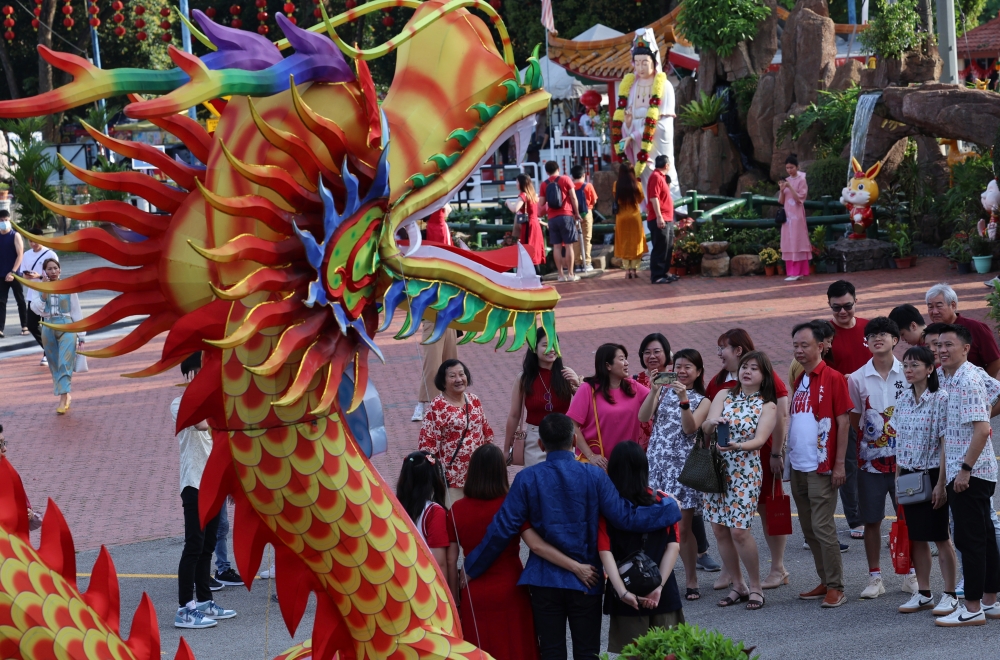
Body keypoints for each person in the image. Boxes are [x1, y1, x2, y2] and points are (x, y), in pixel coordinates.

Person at [463, 413, 681, 660]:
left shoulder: (526, 478)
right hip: (587, 579)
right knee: (587, 653)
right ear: (575, 440)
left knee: (552, 651)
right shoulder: (594, 475)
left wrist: (472, 567)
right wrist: (670, 508)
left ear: (541, 445)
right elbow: (625, 517)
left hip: (544, 579)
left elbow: (502, 529)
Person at [448, 444, 590, 660]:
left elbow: (449, 560)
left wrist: (454, 598)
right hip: (510, 587)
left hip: (473, 589)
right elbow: (536, 545)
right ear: (501, 472)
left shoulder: (456, 509)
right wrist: (576, 567)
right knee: (516, 647)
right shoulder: (510, 504)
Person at [705, 328, 795, 587]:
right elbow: (708, 421)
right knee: (724, 521)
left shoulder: (767, 383)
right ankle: (731, 573)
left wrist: (777, 451)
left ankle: (777, 568)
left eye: (722, 347)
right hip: (723, 461)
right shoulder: (720, 382)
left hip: (760, 455)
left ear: (738, 350)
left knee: (770, 510)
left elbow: (780, 417)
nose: (719, 353)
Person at [702, 351, 778, 611]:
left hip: (745, 470)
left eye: (754, 368)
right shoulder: (724, 394)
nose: (747, 371)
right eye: (745, 366)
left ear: (764, 375)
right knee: (719, 529)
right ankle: (738, 585)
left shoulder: (767, 404)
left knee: (739, 530)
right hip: (717, 467)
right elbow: (705, 428)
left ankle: (756, 587)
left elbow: (760, 440)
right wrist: (711, 422)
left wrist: (738, 445)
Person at [934, 324, 1000, 626]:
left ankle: (972, 607)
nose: (942, 350)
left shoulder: (967, 380)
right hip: (976, 471)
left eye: (949, 344)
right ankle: (990, 600)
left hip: (971, 473)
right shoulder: (956, 375)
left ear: (965, 348)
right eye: (939, 345)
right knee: (984, 536)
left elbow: (982, 428)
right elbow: (997, 390)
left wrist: (965, 470)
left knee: (969, 539)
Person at [889, 345, 960, 616]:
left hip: (932, 473)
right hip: (908, 474)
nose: (908, 370)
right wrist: (897, 478)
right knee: (917, 536)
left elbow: (945, 445)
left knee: (941, 536)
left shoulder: (941, 399)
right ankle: (924, 592)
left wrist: (942, 483)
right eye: (906, 365)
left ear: (930, 369)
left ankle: (951, 594)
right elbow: (900, 443)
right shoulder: (904, 400)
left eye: (915, 365)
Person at [846, 317, 912, 599]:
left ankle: (911, 574)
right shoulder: (857, 378)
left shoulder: (909, 372)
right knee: (871, 520)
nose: (877, 338)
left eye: (883, 334)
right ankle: (875, 577)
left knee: (909, 517)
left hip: (908, 461)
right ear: (866, 341)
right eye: (872, 335)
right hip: (869, 462)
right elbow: (855, 418)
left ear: (895, 340)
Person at [788, 321, 852, 609]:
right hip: (799, 465)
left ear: (821, 346)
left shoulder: (833, 378)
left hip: (821, 466)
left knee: (823, 527)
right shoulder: (799, 378)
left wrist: (839, 464)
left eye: (805, 345)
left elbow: (842, 422)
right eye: (796, 345)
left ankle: (837, 587)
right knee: (809, 528)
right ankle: (825, 580)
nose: (799, 350)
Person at [640, 347, 713, 601]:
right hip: (656, 466)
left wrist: (684, 399)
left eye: (688, 367)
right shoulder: (662, 393)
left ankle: (691, 579)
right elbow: (643, 416)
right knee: (656, 524)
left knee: (682, 526)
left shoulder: (703, 401)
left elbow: (690, 429)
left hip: (682, 469)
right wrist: (654, 390)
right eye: (678, 367)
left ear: (698, 372)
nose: (681, 371)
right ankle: (657, 577)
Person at [598, 441, 685, 651]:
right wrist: (658, 587)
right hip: (663, 592)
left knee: (634, 655)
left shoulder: (608, 508)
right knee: (669, 653)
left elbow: (605, 551)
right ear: (644, 468)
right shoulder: (663, 502)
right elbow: (673, 546)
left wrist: (622, 593)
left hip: (627, 591)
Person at [173, 352, 237, 629]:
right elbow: (200, 424)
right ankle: (184, 609)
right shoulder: (179, 404)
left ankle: (204, 602)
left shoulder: (215, 405)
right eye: (201, 371)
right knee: (194, 547)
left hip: (215, 485)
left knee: (208, 546)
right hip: (194, 485)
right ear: (190, 374)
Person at [417, 359, 495, 504]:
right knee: (453, 520)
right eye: (452, 376)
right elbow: (427, 446)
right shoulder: (437, 407)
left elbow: (486, 433)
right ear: (443, 381)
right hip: (451, 479)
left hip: (478, 476)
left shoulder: (474, 400)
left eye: (461, 374)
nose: (459, 379)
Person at [825, 279, 868, 542]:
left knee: (877, 462)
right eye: (836, 308)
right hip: (845, 408)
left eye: (847, 306)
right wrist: (845, 378)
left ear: (856, 301)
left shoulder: (868, 328)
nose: (842, 312)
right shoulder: (825, 333)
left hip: (875, 408)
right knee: (849, 465)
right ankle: (855, 518)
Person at [502, 326, 580, 467]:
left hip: (564, 439)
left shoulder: (566, 375)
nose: (551, 349)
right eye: (545, 345)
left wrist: (578, 385)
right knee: (537, 483)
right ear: (534, 348)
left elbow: (585, 409)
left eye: (554, 345)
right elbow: (514, 415)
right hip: (535, 439)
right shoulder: (524, 378)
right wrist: (506, 449)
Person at [568, 343, 650, 469]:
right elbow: (572, 425)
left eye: (626, 358)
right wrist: (591, 455)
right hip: (599, 466)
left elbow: (659, 401)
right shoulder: (587, 389)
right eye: (622, 359)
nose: (627, 363)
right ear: (608, 365)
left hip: (627, 464)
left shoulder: (633, 386)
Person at [30, 259, 83, 414]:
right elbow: (36, 309)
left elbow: (76, 311)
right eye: (49, 269)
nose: (53, 271)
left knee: (65, 362)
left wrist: (82, 335)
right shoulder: (38, 287)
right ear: (44, 271)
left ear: (60, 270)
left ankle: (63, 398)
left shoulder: (68, 286)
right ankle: (66, 395)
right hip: (47, 326)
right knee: (54, 365)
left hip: (67, 325)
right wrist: (44, 292)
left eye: (55, 268)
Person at [926, 283, 1000, 378]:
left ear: (953, 305)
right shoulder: (929, 332)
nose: (934, 311)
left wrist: (983, 382)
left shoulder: (975, 327)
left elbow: (994, 361)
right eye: (930, 307)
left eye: (939, 306)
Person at [397, 450, 449, 577]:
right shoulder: (434, 512)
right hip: (425, 583)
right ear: (432, 478)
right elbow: (440, 563)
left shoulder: (394, 507)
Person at [538, 161, 582, 283]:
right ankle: (571, 274)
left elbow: (541, 203)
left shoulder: (544, 184)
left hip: (552, 218)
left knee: (556, 247)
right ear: (558, 168)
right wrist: (577, 213)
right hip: (566, 215)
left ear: (546, 171)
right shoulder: (565, 179)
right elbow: (573, 197)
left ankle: (561, 275)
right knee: (569, 245)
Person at [411, 316, 459, 423]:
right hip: (432, 322)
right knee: (432, 366)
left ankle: (451, 405)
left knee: (451, 366)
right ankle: (421, 406)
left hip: (450, 322)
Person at [19, 239, 57, 363]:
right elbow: (23, 274)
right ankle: (50, 349)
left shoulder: (50, 254)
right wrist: (28, 276)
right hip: (33, 295)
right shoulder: (27, 254)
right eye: (30, 241)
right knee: (31, 325)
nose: (33, 243)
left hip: (48, 294)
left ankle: (47, 354)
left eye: (35, 241)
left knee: (48, 326)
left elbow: (55, 274)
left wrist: (39, 276)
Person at [634, 332, 672, 450]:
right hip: (640, 447)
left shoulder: (676, 378)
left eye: (657, 352)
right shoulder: (634, 381)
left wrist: (673, 358)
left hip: (669, 445)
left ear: (667, 353)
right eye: (647, 352)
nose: (651, 356)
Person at [778, 154, 809, 281]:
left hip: (796, 216)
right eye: (787, 168)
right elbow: (781, 201)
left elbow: (800, 199)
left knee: (797, 241)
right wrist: (781, 190)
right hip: (787, 217)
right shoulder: (785, 180)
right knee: (788, 241)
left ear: (797, 167)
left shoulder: (802, 180)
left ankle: (798, 272)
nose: (789, 170)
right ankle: (792, 271)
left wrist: (790, 186)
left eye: (791, 167)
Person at [646, 155, 677, 284]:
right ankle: (657, 275)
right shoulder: (656, 177)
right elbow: (654, 198)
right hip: (659, 218)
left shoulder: (662, 177)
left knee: (668, 246)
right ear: (666, 165)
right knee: (660, 246)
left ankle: (665, 272)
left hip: (667, 217)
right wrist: (659, 216)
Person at [613, 164, 647, 280]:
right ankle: (634, 269)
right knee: (636, 242)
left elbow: (615, 197)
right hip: (634, 217)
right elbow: (640, 199)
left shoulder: (616, 185)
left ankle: (627, 270)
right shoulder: (637, 185)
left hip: (621, 217)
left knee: (624, 242)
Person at [0, 209, 27, 339]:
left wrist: (13, 271)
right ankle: (0, 329)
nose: (4, 222)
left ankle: (25, 326)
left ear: (9, 220)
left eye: (6, 220)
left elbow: (20, 254)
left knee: (20, 300)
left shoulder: (15, 235)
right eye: (1, 220)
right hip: (1, 274)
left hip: (14, 273)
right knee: (1, 302)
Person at [512, 174, 546, 267]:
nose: (516, 184)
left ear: (521, 183)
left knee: (527, 250)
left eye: (517, 181)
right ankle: (539, 275)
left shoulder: (523, 195)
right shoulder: (533, 194)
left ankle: (532, 276)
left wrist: (507, 203)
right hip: (535, 225)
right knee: (534, 249)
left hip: (528, 225)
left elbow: (515, 209)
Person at [571, 165, 597, 273]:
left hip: (573, 214)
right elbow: (594, 200)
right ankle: (587, 262)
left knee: (576, 239)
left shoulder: (570, 186)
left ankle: (577, 264)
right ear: (584, 175)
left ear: (572, 176)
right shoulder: (588, 186)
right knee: (586, 238)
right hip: (586, 213)